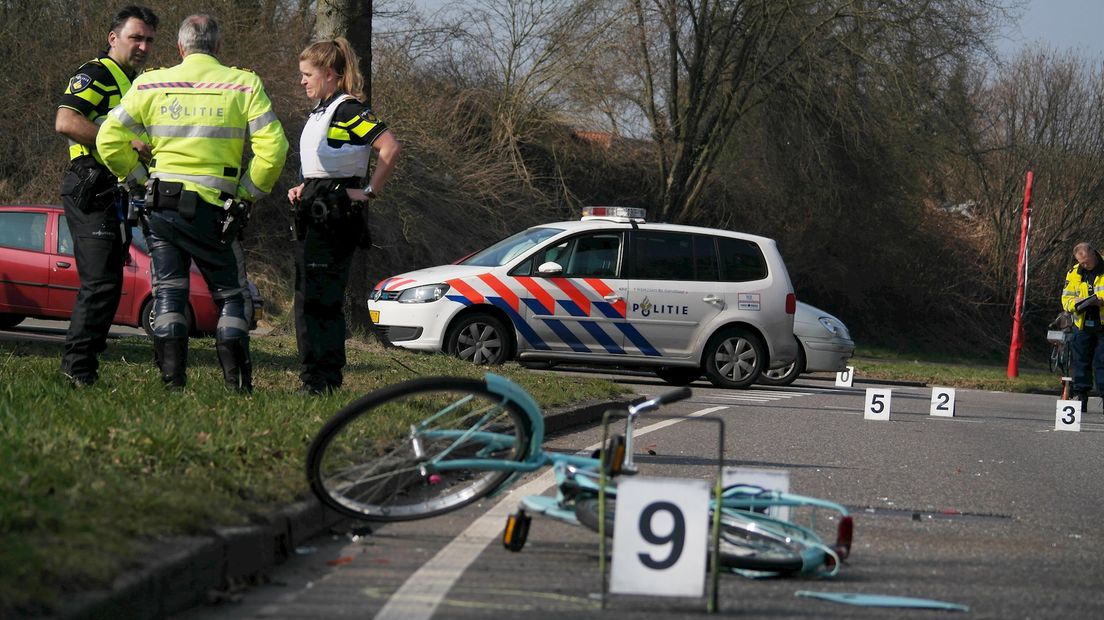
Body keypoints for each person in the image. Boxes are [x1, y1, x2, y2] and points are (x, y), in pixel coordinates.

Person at [96, 14, 288, 392]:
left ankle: (173, 385)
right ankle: (237, 387)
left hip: (162, 209)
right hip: (217, 213)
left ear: (181, 48)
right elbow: (274, 149)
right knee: (232, 296)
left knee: (169, 292)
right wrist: (247, 194)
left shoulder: (151, 84)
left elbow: (107, 139)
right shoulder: (244, 85)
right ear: (217, 48)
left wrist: (137, 181)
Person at [288, 38, 401, 394]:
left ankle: (321, 381)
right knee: (311, 297)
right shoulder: (322, 111)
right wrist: (304, 186)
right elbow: (329, 164)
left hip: (335, 216)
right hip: (316, 206)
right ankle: (319, 378)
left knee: (319, 300)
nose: (303, 81)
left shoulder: (347, 110)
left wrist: (369, 191)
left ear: (330, 74)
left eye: (308, 74)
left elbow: (390, 146)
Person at [56, 5, 159, 388]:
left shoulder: (135, 81)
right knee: (100, 282)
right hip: (89, 186)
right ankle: (76, 368)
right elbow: (65, 122)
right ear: (113, 38)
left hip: (115, 190)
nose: (143, 46)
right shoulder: (97, 73)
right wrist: (126, 141)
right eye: (136, 38)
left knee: (111, 283)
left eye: (149, 40)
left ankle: (85, 368)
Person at [1060, 242, 1104, 412]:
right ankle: (1081, 395)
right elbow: (1066, 299)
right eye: (1081, 262)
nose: (1084, 265)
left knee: (1102, 361)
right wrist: (1075, 304)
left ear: (1094, 253)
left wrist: (1100, 300)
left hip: (1102, 323)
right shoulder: (1073, 273)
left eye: (1086, 261)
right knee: (1080, 361)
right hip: (1083, 323)